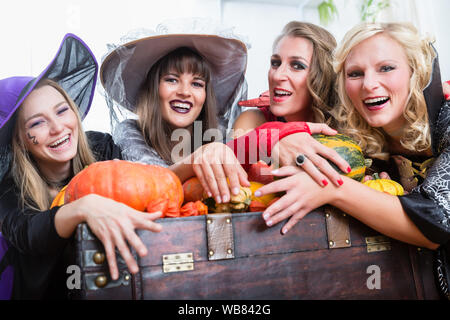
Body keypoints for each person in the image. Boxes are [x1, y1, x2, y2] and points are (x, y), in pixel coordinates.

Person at [255, 22, 450, 297]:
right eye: (355, 73)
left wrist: (332, 187)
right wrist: (281, 136)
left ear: (416, 72)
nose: (369, 84)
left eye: (386, 68)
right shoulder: (358, 141)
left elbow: (438, 222)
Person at [0, 34, 162, 299]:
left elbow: (146, 187)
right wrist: (83, 207)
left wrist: (193, 163)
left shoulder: (103, 147)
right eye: (37, 123)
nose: (57, 128)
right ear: (20, 141)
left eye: (62, 111)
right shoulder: (8, 191)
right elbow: (30, 234)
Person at [101, 26, 251, 203]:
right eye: (172, 80)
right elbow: (151, 185)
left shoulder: (221, 134)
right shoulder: (130, 134)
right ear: (153, 89)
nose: (185, 92)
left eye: (196, 84)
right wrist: (197, 158)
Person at [228, 21, 351, 188]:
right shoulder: (253, 120)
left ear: (322, 76)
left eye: (297, 66)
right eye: (275, 63)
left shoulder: (346, 126)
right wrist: (271, 137)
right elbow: (234, 171)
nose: (278, 75)